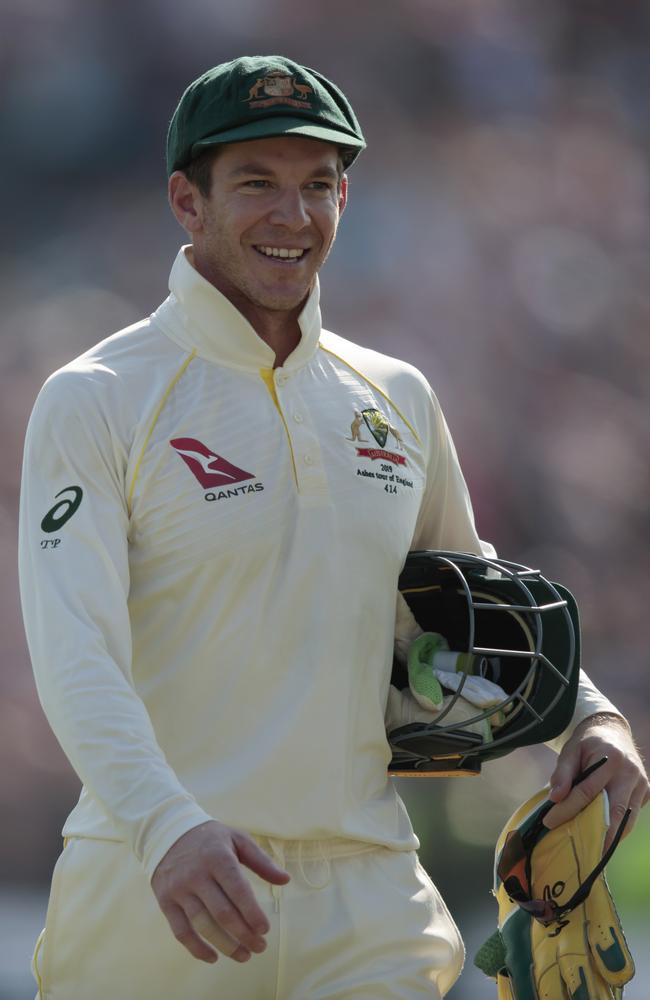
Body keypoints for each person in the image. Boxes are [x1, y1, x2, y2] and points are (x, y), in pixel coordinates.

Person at [19, 55, 649, 1000]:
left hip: (368, 898)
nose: (294, 215)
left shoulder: (395, 395)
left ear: (346, 198)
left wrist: (589, 717)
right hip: (157, 888)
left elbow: (471, 604)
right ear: (187, 203)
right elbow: (74, 651)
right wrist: (165, 826)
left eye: (319, 185)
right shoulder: (100, 398)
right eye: (258, 184)